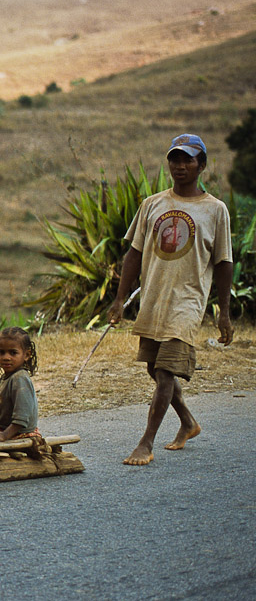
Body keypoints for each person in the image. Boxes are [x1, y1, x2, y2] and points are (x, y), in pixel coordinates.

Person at [109, 133, 233, 466]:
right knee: (154, 366)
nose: (180, 166)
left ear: (201, 165)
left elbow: (223, 263)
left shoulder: (215, 210)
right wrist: (120, 300)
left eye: (188, 159)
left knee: (165, 371)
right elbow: (133, 254)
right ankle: (189, 422)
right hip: (154, 297)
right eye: (175, 159)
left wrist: (223, 313)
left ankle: (145, 443)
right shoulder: (152, 204)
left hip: (188, 301)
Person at [0, 327, 40, 441]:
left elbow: (22, 417)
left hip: (15, 433)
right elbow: (0, 408)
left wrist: (4, 435)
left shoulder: (19, 378)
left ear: (26, 355)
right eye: (1, 352)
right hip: (3, 428)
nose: (6, 357)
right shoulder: (7, 377)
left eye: (13, 353)